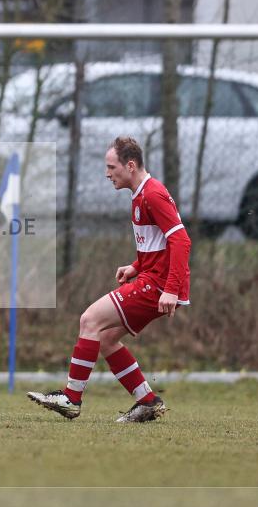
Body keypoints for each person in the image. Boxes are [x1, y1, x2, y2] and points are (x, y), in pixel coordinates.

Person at [28, 136, 191, 422]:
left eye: (111, 167)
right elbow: (159, 244)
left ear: (129, 165)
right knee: (104, 338)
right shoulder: (140, 194)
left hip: (159, 285)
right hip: (154, 279)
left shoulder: (153, 193)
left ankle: (71, 398)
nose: (107, 173)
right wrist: (135, 265)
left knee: (89, 320)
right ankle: (147, 401)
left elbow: (181, 241)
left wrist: (171, 290)